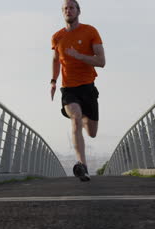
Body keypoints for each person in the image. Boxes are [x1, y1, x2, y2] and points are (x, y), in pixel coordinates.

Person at [50, 0, 106, 181]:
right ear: (63, 13)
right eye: (65, 8)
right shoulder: (57, 37)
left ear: (78, 11)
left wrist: (79, 56)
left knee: (92, 132)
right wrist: (53, 81)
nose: (68, 10)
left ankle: (83, 116)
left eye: (71, 7)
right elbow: (55, 60)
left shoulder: (90, 31)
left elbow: (101, 61)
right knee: (75, 118)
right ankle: (83, 166)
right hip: (68, 89)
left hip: (88, 87)